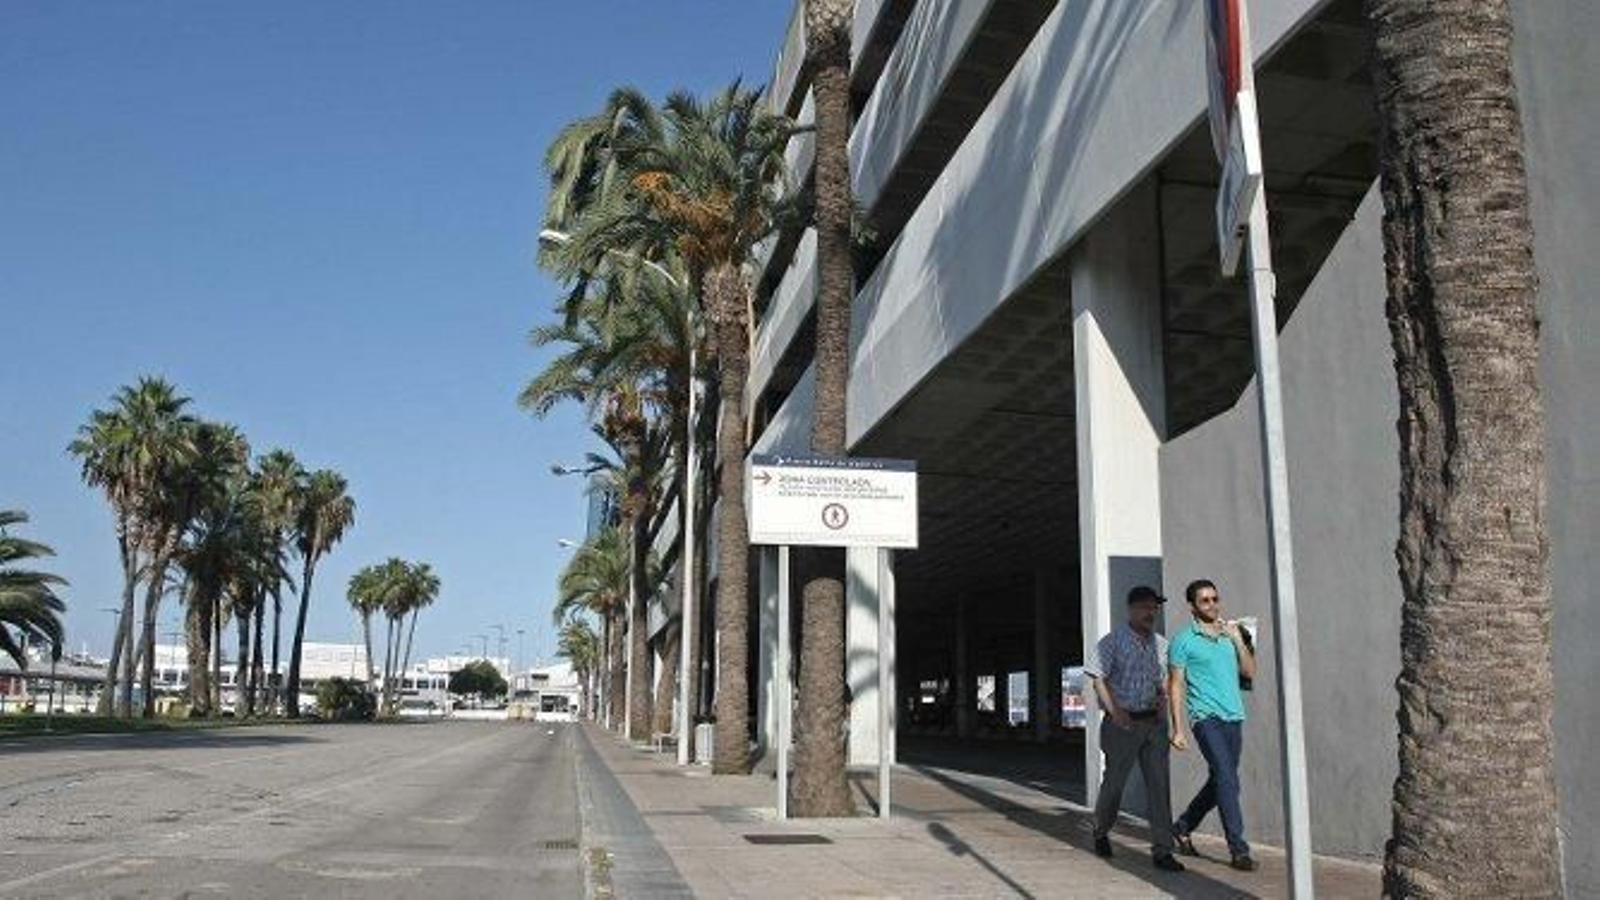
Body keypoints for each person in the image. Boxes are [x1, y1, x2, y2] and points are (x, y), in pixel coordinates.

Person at [1085, 585, 1185, 872]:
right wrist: (1115, 712)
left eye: (1154, 607)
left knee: (1159, 786)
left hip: (1153, 724)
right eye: (1144, 607)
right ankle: (1101, 830)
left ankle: (1163, 851)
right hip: (1122, 725)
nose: (1150, 612)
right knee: (1114, 784)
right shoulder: (1112, 642)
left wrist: (1166, 711)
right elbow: (1097, 678)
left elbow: (1167, 683)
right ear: (1130, 609)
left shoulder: (1163, 645)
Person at [1167, 578, 1258, 871]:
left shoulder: (1232, 634)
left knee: (1221, 779)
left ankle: (1182, 826)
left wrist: (1237, 640)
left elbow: (1250, 671)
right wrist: (1178, 728)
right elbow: (1176, 685)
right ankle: (1238, 849)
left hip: (1234, 716)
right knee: (1228, 780)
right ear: (1192, 606)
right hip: (1205, 718)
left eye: (1214, 598)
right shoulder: (1183, 640)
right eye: (1204, 600)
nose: (1212, 604)